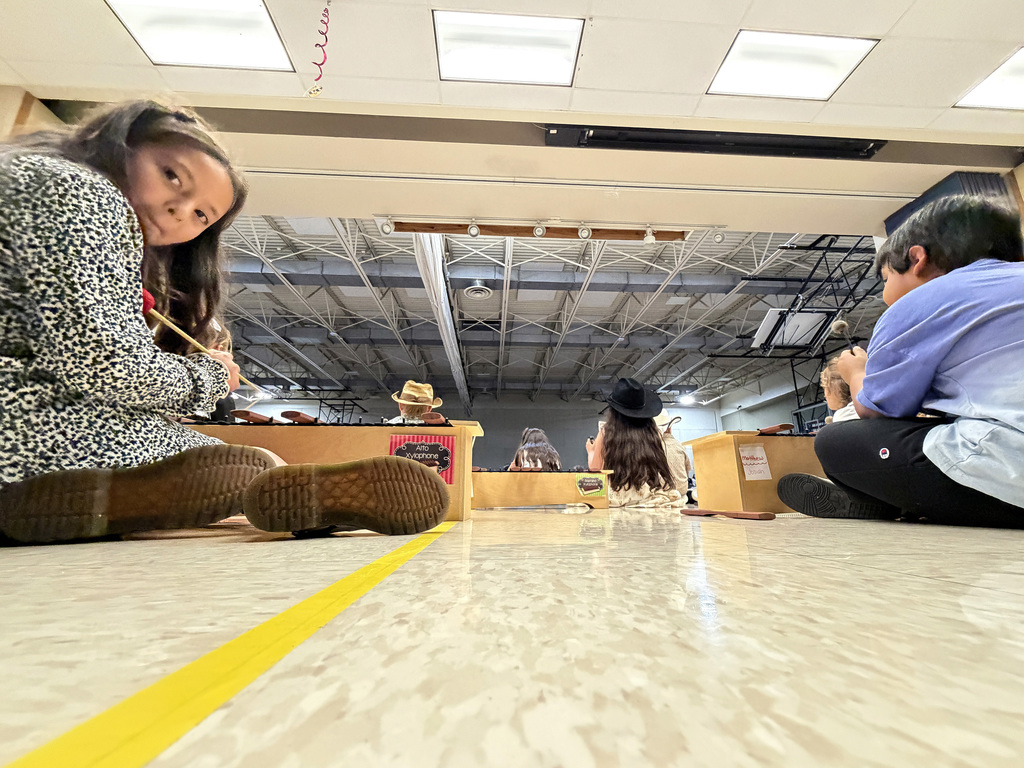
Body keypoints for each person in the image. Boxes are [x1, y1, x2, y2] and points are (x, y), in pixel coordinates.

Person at [0, 100, 447, 544]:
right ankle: (79, 493)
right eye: (171, 175)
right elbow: (106, 364)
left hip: (32, 420)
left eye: (201, 215)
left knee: (239, 463)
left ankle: (95, 498)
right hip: (27, 428)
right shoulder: (83, 191)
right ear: (122, 144)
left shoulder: (46, 188)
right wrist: (209, 377)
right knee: (245, 467)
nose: (180, 209)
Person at [777, 195, 1024, 527]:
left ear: (917, 258)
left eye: (885, 278)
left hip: (1012, 473)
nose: (884, 293)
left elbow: (876, 410)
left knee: (835, 442)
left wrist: (857, 372)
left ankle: (885, 501)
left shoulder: (919, 303)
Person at [586, 378, 683, 508]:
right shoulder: (652, 432)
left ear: (614, 410)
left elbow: (596, 469)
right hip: (650, 494)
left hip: (618, 494)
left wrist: (591, 452)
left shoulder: (607, 432)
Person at [655, 412, 696, 504]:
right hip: (681, 494)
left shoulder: (653, 447)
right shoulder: (679, 445)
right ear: (669, 428)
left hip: (662, 493)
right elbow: (686, 471)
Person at [820, 355, 858, 423]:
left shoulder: (842, 417)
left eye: (825, 387)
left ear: (837, 390)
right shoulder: (871, 410)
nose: (825, 395)